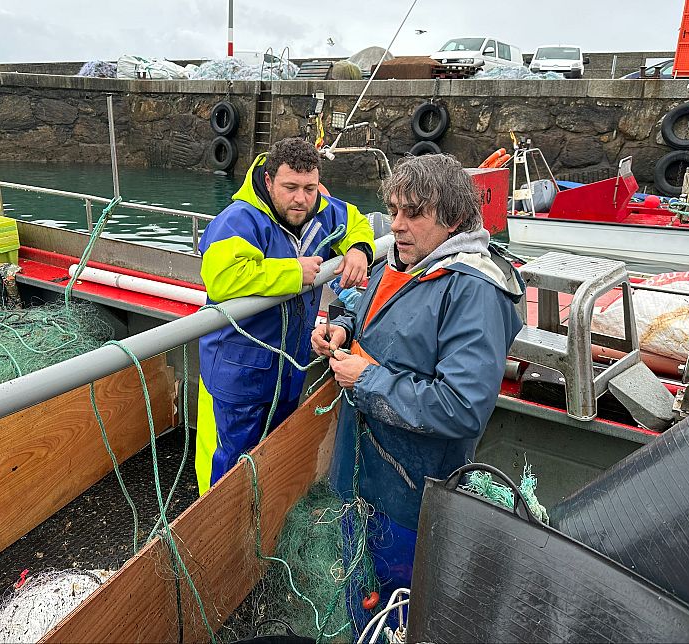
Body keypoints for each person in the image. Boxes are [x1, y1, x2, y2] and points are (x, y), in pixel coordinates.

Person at [310, 152, 524, 630]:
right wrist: (342, 329)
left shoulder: (473, 291)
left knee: (397, 615)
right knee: (358, 598)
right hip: (361, 476)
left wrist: (365, 379)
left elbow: (463, 406)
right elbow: (365, 310)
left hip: (409, 496)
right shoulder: (402, 261)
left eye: (413, 213)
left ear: (451, 219)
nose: (397, 225)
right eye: (393, 210)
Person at [196, 138, 375, 494]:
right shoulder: (239, 220)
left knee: (272, 453)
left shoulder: (321, 210)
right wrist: (293, 273)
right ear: (267, 181)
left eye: (310, 188)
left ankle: (262, 521)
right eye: (290, 187)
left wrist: (359, 249)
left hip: (288, 369)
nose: (301, 199)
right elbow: (220, 278)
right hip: (238, 372)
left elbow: (356, 221)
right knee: (229, 463)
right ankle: (218, 534)